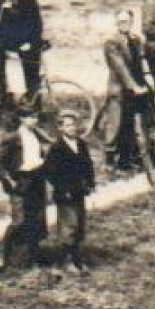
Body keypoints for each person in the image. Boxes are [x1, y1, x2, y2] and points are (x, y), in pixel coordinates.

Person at [0, 105, 49, 273]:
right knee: (19, 220)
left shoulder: (37, 134)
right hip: (21, 181)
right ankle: (2, 255)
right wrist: (8, 180)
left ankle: (31, 255)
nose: (34, 120)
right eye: (30, 117)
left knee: (37, 218)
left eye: (36, 117)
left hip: (37, 179)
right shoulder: (12, 137)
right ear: (22, 119)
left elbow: (42, 153)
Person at [43, 111, 96, 274]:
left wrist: (90, 182)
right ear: (60, 128)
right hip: (65, 194)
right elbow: (50, 172)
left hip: (79, 191)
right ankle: (66, 260)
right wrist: (63, 188)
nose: (72, 128)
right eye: (67, 125)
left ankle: (77, 258)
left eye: (73, 124)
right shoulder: (57, 148)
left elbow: (88, 165)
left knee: (79, 225)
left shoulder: (81, 144)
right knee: (68, 226)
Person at [101, 8, 150, 173]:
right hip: (119, 88)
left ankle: (127, 159)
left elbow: (142, 59)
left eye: (127, 21)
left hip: (135, 88)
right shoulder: (111, 42)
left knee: (130, 124)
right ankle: (108, 162)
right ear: (116, 23)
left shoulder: (136, 40)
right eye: (120, 22)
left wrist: (147, 77)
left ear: (132, 22)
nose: (124, 24)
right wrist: (133, 86)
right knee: (115, 124)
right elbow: (120, 67)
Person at [0, 0, 44, 105]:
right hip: (9, 40)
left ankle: (33, 102)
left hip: (28, 40)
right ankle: (4, 94)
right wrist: (1, 14)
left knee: (32, 69)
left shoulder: (29, 2)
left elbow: (37, 25)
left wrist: (29, 43)